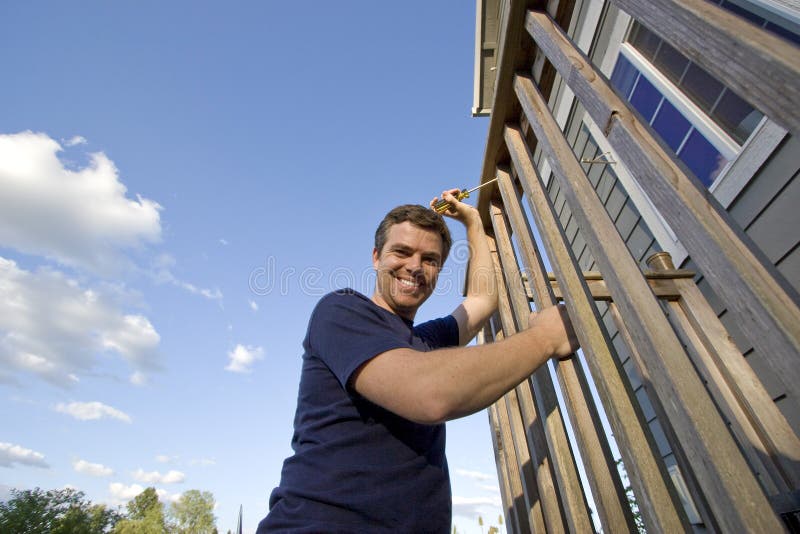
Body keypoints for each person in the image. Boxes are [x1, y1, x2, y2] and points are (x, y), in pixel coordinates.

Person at [258, 189, 579, 533]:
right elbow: (428, 393)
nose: (415, 266)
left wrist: (472, 221)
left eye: (430, 259)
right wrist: (544, 338)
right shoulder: (341, 311)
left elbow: (483, 299)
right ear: (376, 257)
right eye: (402, 252)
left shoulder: (425, 341)